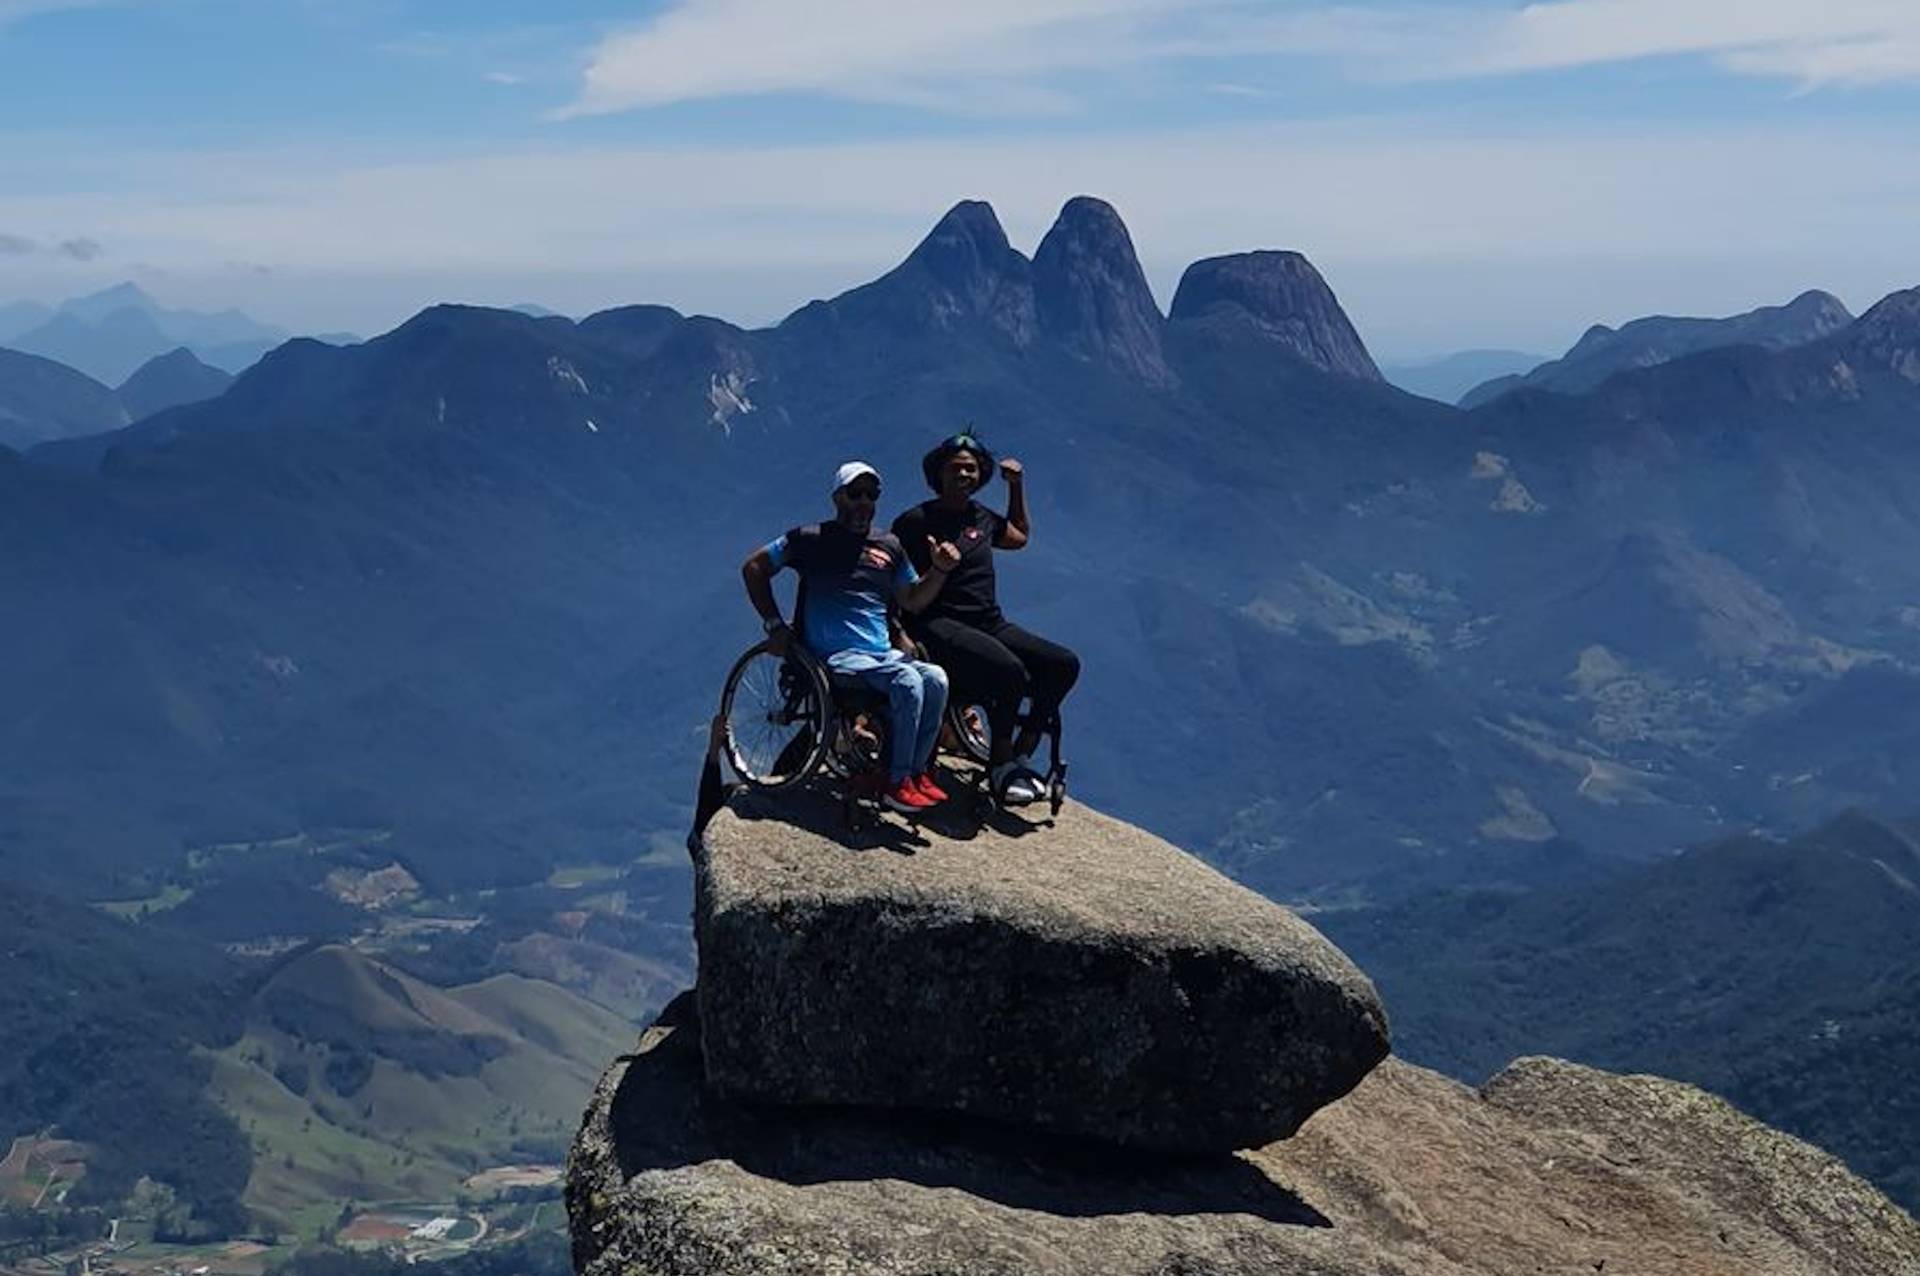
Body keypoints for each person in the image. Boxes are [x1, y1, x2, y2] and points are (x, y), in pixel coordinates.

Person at [742, 461, 962, 813]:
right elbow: (755, 567)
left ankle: (917, 774)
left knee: (935, 678)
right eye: (854, 494)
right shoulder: (810, 539)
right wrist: (774, 625)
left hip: (878, 655)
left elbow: (912, 598)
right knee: (907, 680)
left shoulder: (889, 546)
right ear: (837, 498)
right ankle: (896, 781)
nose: (864, 502)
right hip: (832, 658)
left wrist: (940, 570)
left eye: (871, 495)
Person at [892, 432, 1080, 805]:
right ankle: (1001, 764)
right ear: (939, 474)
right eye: (956, 467)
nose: (965, 474)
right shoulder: (915, 522)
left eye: (972, 468)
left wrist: (1016, 487)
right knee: (1008, 670)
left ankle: (1025, 746)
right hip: (937, 623)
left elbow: (1019, 536)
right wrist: (898, 629)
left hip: (988, 621)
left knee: (1063, 664)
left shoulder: (982, 517)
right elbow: (892, 580)